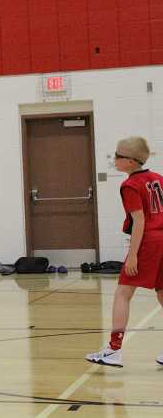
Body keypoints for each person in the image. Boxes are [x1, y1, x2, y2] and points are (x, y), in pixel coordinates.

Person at [86, 137, 163, 367]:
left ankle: (113, 349)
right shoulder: (158, 179)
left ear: (131, 161)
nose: (115, 158)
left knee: (123, 293)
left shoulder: (130, 185)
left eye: (118, 155)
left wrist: (133, 254)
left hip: (149, 242)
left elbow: (139, 221)